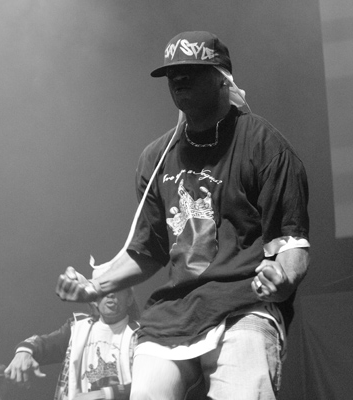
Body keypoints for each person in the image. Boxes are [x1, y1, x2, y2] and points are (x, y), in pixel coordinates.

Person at [55, 31, 310, 400]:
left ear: (222, 78)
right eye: (172, 74)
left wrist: (283, 279)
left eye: (191, 71)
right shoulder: (156, 157)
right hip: (174, 315)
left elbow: (291, 242)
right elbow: (148, 250)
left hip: (243, 306)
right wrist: (96, 286)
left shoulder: (264, 145)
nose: (179, 80)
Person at [5, 266, 141, 400]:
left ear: (129, 298)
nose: (110, 294)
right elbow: (44, 344)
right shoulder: (77, 328)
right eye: (105, 289)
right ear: (95, 299)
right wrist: (24, 352)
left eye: (118, 289)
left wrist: (106, 394)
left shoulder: (141, 335)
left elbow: (148, 384)